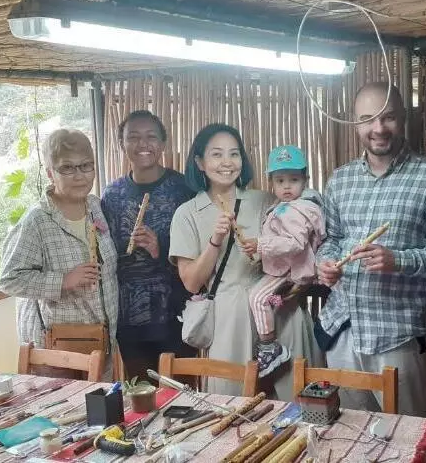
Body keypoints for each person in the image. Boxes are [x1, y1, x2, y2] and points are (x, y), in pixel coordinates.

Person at [316, 82, 426, 417]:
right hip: (343, 330)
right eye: (368, 119)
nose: (379, 128)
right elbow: (331, 239)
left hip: (396, 335)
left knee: (409, 436)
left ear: (404, 119)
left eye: (389, 118)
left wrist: (400, 260)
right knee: (354, 432)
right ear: (355, 123)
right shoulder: (340, 179)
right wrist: (324, 263)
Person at [169, 123, 322, 400]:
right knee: (233, 403)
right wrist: (216, 240)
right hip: (230, 320)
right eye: (216, 154)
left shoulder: (265, 200)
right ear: (200, 163)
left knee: (299, 403)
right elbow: (191, 282)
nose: (227, 162)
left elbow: (303, 236)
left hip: (280, 308)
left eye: (234, 154)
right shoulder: (187, 213)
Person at [0, 129, 118, 380]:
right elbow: (9, 280)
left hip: (102, 342)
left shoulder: (96, 206)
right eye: (67, 168)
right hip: (58, 348)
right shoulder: (38, 220)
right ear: (50, 172)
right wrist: (63, 280)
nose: (79, 176)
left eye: (86, 166)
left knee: (102, 413)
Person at [101, 110, 196, 381]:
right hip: (129, 317)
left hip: (175, 313)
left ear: (163, 143)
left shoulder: (183, 189)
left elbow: (200, 250)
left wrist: (160, 249)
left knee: (182, 395)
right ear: (122, 144)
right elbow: (106, 254)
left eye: (151, 136)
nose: (143, 144)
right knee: (141, 394)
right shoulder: (112, 194)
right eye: (134, 137)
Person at [242, 145, 325, 378]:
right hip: (286, 267)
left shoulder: (297, 210)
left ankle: (270, 347)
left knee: (256, 297)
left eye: (294, 179)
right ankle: (276, 307)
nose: (287, 186)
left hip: (289, 269)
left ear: (305, 179)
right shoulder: (285, 207)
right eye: (280, 181)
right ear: (271, 182)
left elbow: (296, 243)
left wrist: (261, 245)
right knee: (272, 299)